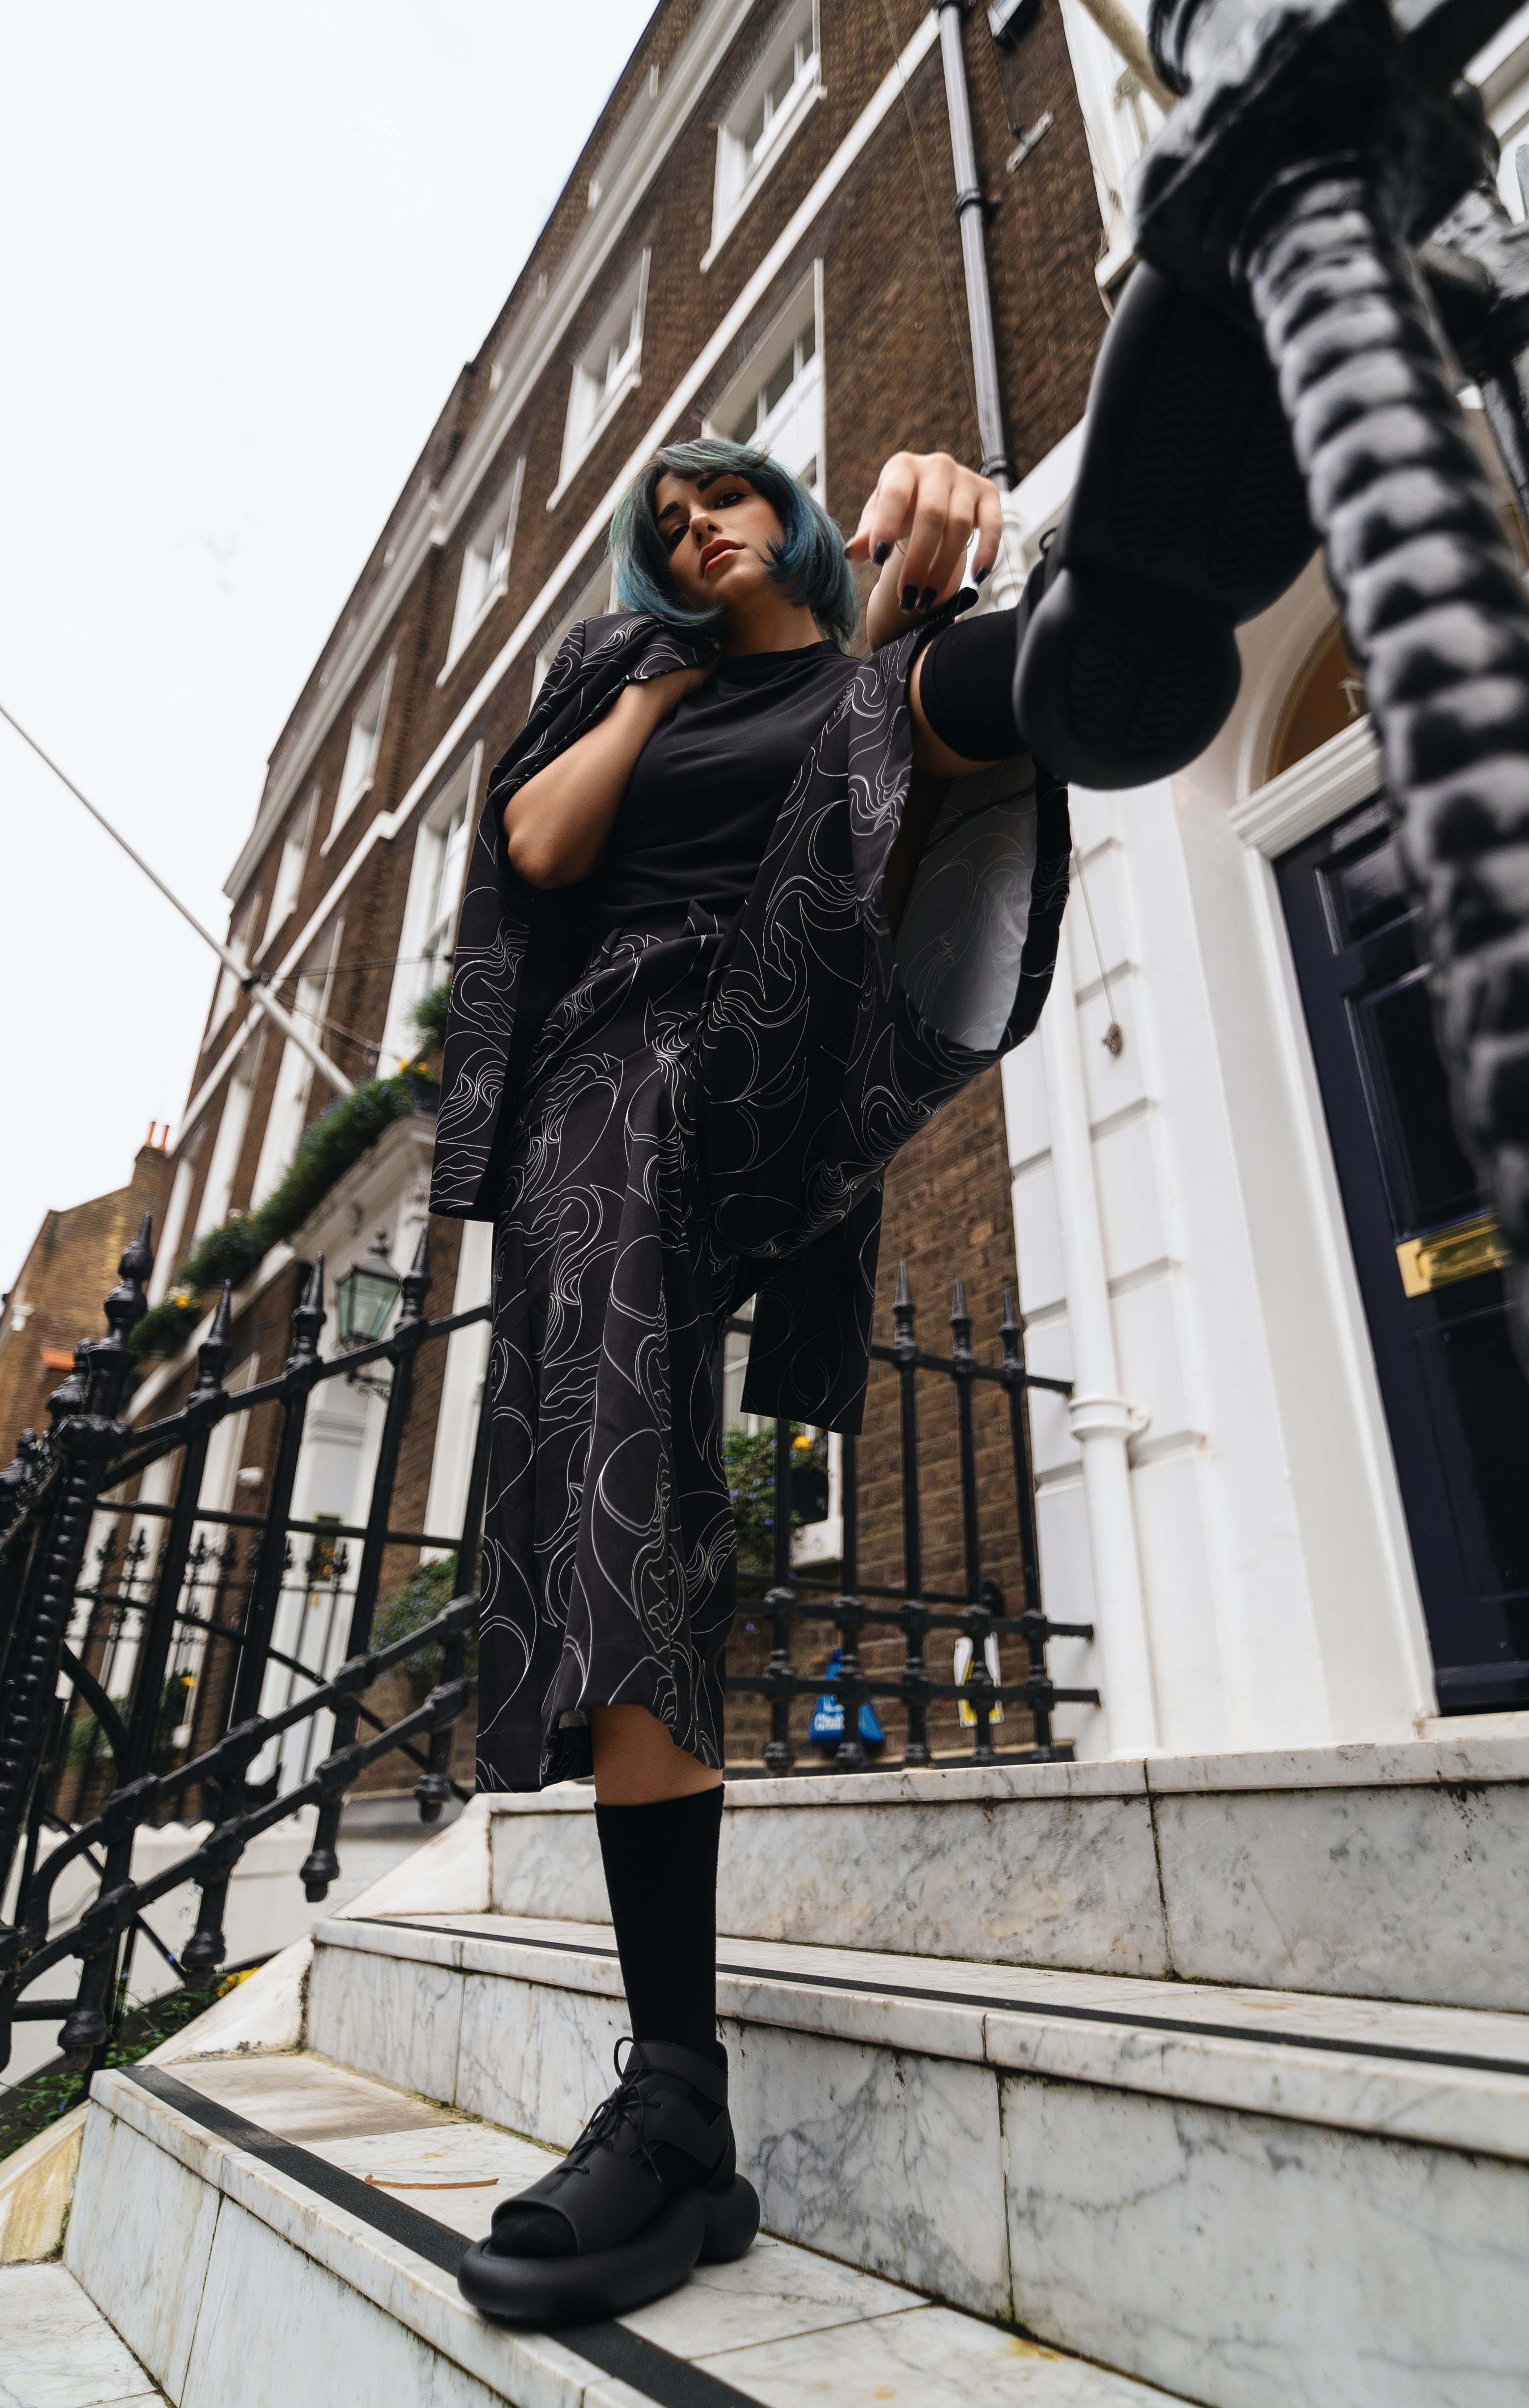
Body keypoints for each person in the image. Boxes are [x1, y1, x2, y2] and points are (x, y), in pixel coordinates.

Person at [431, 438, 1066, 2325]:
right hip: (619, 1063)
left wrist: (932, 575)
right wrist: (652, 682)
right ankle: (680, 2104)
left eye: (722, 495)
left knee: (894, 710)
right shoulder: (640, 680)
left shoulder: (846, 669)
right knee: (624, 1487)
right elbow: (536, 851)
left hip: (782, 1028)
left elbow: (879, 791)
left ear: (791, 511)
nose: (695, 525)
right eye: (663, 526)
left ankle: (1065, 658)